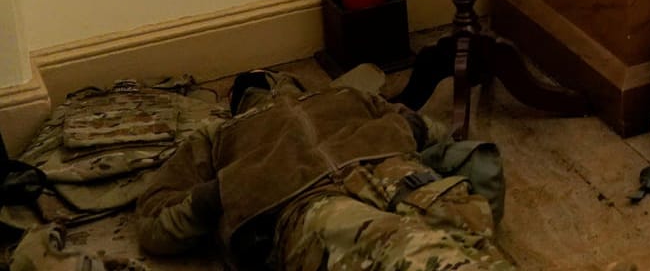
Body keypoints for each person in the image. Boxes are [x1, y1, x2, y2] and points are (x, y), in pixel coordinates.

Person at [132, 67, 511, 270]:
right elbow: (153, 220)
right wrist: (217, 195)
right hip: (307, 202)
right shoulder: (220, 135)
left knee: (465, 232)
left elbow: (433, 131)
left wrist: (409, 127)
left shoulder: (343, 96)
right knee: (398, 247)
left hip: (392, 171)